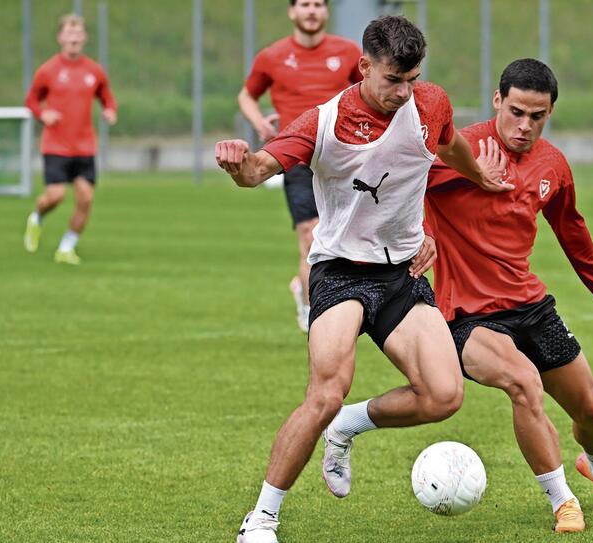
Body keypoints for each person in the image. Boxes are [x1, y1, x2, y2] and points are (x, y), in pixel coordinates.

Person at [214, 16, 512, 543]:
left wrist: (478, 174)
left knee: (444, 395)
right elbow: (260, 169)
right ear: (365, 66)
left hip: (402, 274)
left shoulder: (431, 103)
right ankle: (260, 520)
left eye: (412, 79)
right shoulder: (322, 123)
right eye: (392, 80)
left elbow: (448, 145)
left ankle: (349, 425)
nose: (404, 92)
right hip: (341, 272)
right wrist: (238, 164)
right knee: (324, 392)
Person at [427, 58, 593, 532]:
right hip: (468, 316)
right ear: (497, 100)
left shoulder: (553, 164)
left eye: (537, 116)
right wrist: (421, 237)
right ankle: (562, 499)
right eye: (517, 111)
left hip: (530, 307)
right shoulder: (458, 152)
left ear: (549, 113)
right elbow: (401, 189)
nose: (525, 126)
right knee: (523, 383)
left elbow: (571, 228)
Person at [239, 0, 362, 332]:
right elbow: (247, 95)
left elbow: (366, 92)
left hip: (341, 158)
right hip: (295, 157)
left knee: (342, 236)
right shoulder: (272, 56)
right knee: (310, 236)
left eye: (318, 4)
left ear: (326, 12)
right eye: (305, 4)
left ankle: (309, 286)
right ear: (292, 12)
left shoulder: (348, 52)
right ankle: (311, 310)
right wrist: (260, 126)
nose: (312, 10)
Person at [23, 13, 117, 265]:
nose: (74, 38)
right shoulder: (48, 70)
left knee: (86, 198)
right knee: (55, 197)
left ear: (84, 38)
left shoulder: (94, 71)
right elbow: (31, 100)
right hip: (55, 145)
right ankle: (37, 217)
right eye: (69, 33)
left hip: (85, 145)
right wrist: (43, 113)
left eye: (78, 33)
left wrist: (110, 110)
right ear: (60, 37)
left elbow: (107, 96)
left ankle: (66, 247)